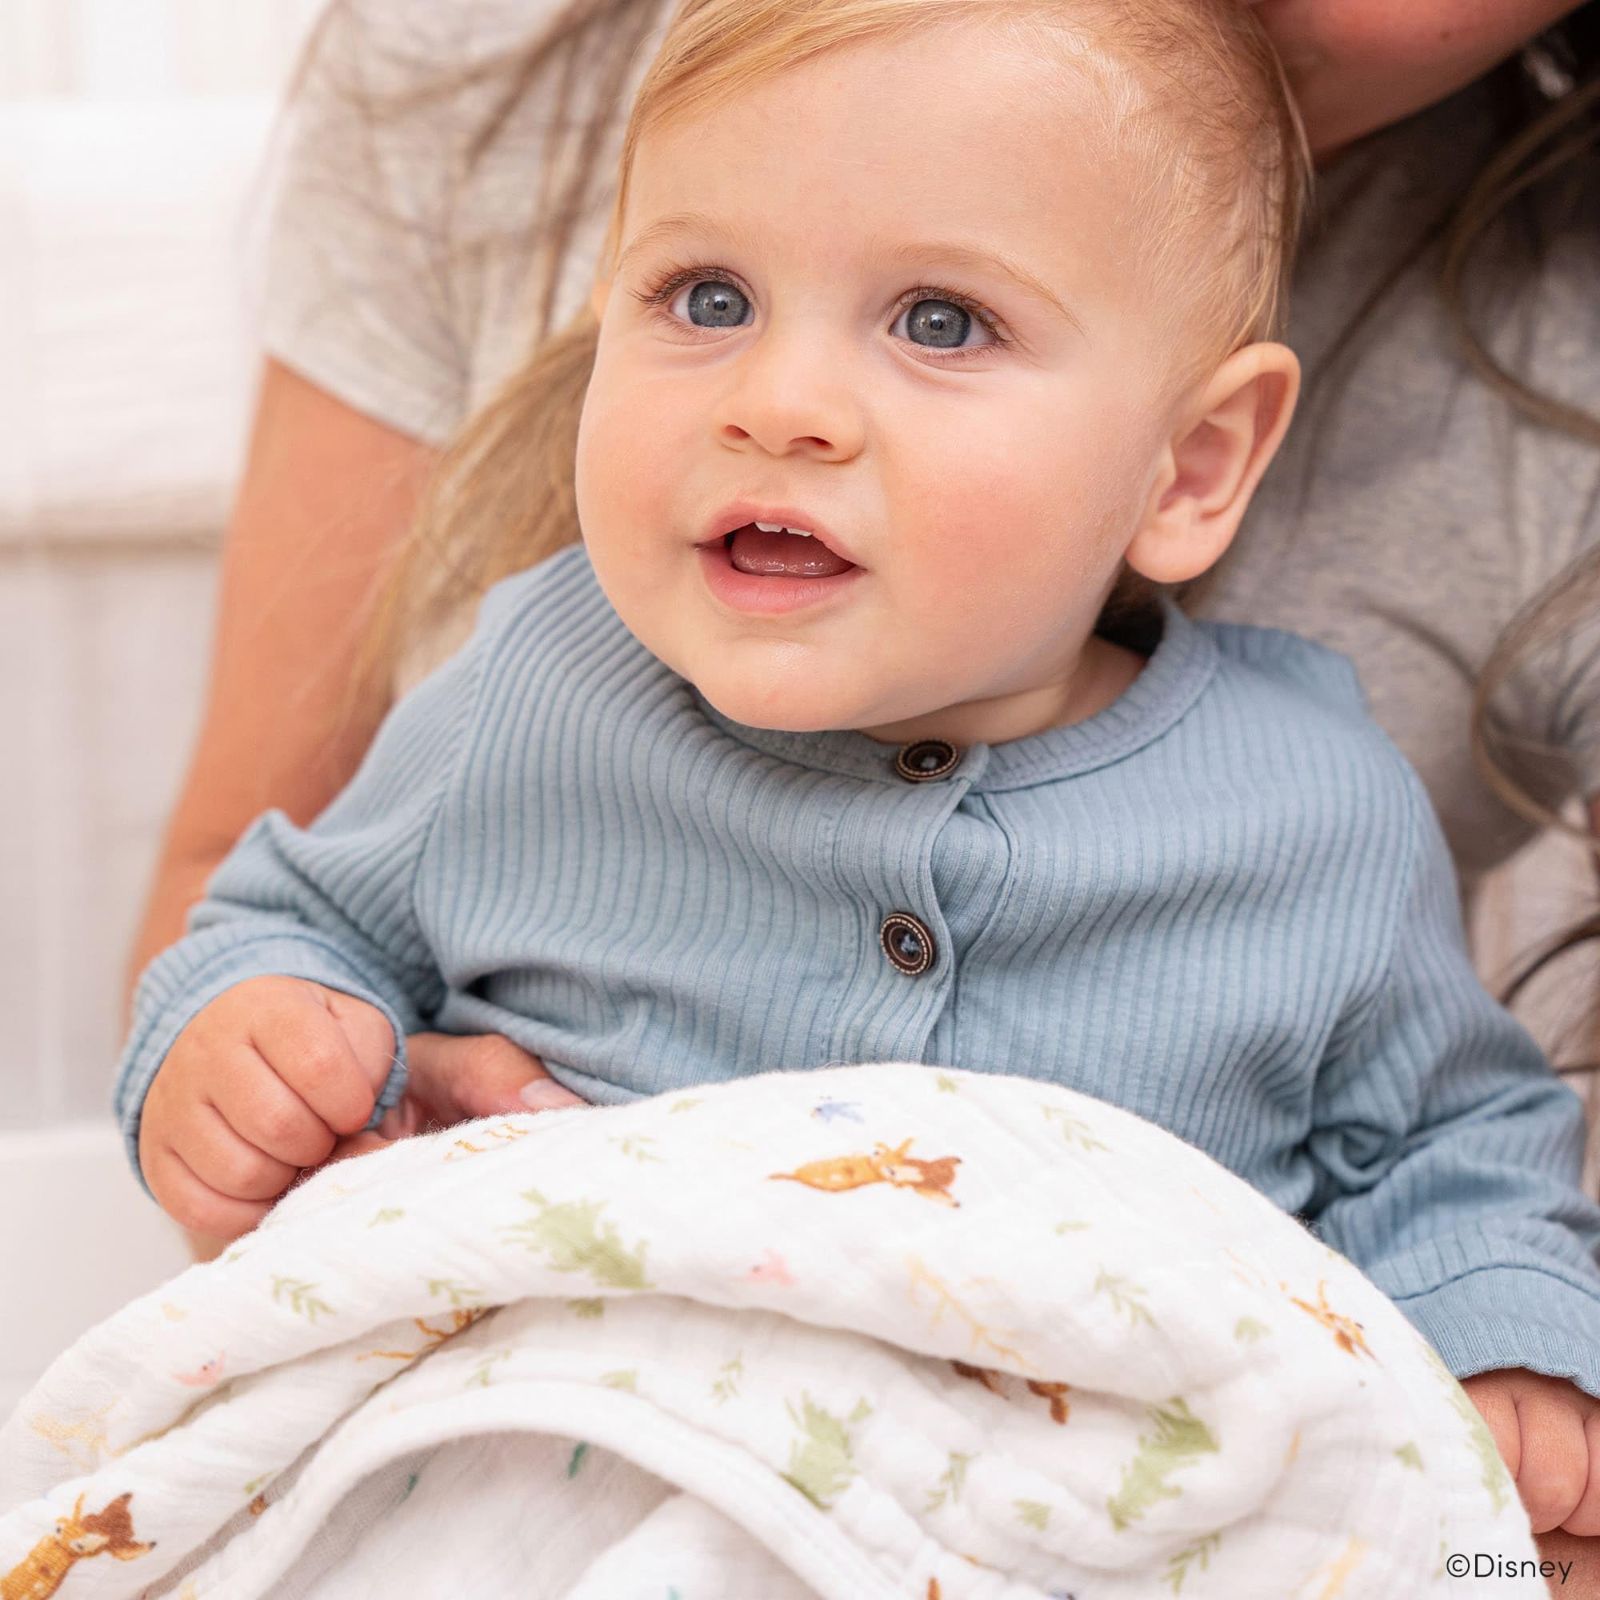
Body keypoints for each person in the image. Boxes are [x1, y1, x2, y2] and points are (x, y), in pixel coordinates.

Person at [114, 0, 1600, 1549]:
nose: (777, 403)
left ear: (1192, 468)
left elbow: (1447, 1148)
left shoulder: (1314, 818)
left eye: (940, 324)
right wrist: (258, 1046)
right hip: (540, 1485)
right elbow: (271, 926)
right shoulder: (530, 690)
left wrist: (1506, 1344)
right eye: (705, 295)